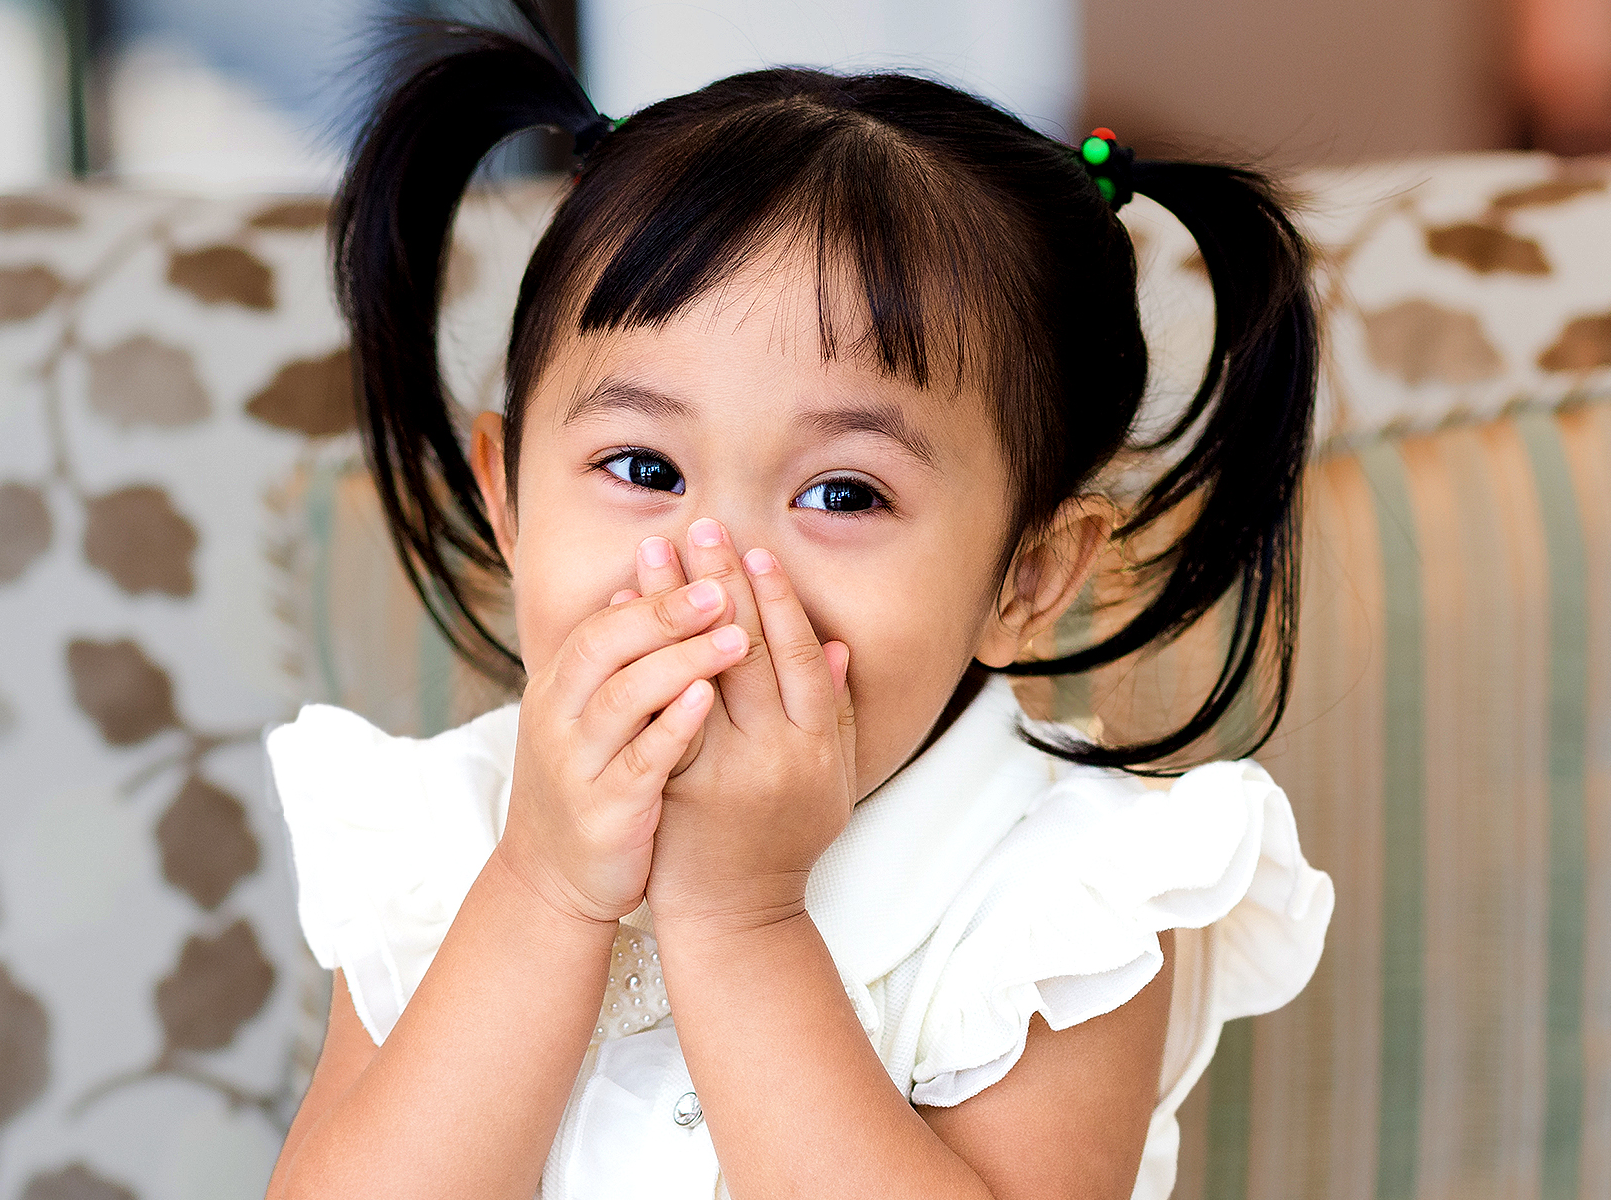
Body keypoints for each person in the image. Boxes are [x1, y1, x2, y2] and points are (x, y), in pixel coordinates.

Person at [263, 4, 1332, 1196]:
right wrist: (544, 891)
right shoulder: (448, 834)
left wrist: (742, 921)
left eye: (841, 492)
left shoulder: (1065, 899)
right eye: (645, 470)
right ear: (509, 502)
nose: (714, 565)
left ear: (1025, 579)